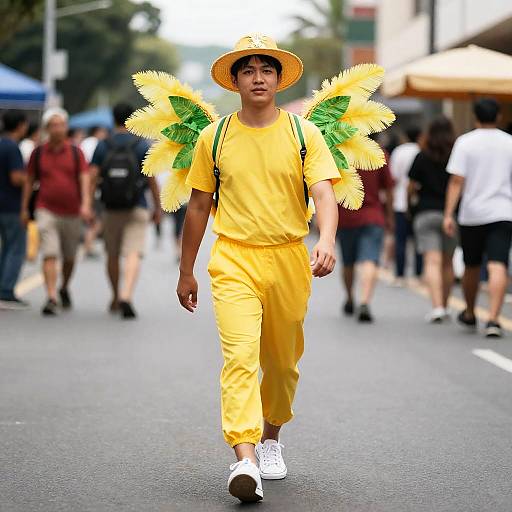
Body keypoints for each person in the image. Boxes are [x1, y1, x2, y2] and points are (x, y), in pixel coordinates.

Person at [176, 36, 339, 502]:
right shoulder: (217, 136)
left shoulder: (304, 134)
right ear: (236, 81)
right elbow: (198, 206)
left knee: (282, 365)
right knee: (240, 358)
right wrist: (187, 271)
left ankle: (271, 439)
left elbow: (325, 193)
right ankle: (244, 459)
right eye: (247, 70)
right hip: (233, 258)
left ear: (278, 78)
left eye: (266, 69)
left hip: (289, 255)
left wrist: (325, 239)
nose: (258, 77)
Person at [444, 98, 512, 338]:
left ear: (475, 117)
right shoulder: (509, 142)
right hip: (503, 212)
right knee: (498, 264)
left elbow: (456, 181)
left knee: (472, 265)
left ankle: (471, 312)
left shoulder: (465, 142)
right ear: (498, 117)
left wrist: (448, 214)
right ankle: (493, 319)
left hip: (472, 214)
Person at [90, 103, 161, 319]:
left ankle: (114, 295)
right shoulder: (141, 145)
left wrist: (88, 204)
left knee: (112, 254)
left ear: (112, 119)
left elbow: (92, 177)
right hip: (137, 206)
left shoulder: (103, 145)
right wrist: (157, 207)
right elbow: (152, 179)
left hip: (111, 208)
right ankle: (126, 295)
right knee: (133, 252)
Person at [21, 108, 91, 316]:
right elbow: (29, 181)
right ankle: (51, 296)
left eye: (61, 124)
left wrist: (86, 204)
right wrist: (25, 208)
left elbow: (84, 179)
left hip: (72, 211)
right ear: (46, 128)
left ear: (66, 127)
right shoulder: (38, 152)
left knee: (69, 257)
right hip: (46, 209)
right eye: (54, 125)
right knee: (50, 252)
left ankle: (64, 287)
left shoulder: (76, 153)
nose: (58, 129)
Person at [409, 117, 457, 323]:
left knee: (432, 261)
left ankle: (437, 307)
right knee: (448, 262)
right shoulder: (455, 154)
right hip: (451, 215)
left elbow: (411, 186)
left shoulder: (422, 156)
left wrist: (411, 205)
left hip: (425, 212)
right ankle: (445, 305)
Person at [337, 155, 394, 323]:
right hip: (372, 215)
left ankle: (349, 297)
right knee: (369, 259)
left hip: (345, 215)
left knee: (348, 262)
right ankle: (365, 301)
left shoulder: (340, 153)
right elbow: (389, 188)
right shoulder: (377, 153)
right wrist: (390, 215)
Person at [0, 110, 29, 309]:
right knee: (16, 247)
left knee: (5, 247)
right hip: (11, 204)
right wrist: (32, 180)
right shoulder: (12, 148)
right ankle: (6, 289)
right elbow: (16, 177)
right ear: (20, 125)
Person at [390, 126, 422, 284]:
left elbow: (393, 176)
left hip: (400, 200)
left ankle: (400, 274)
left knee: (400, 240)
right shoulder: (421, 150)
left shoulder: (399, 151)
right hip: (417, 202)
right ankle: (418, 274)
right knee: (418, 241)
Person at [81, 126, 109, 258]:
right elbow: (94, 172)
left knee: (92, 219)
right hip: (96, 187)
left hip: (85, 185)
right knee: (97, 220)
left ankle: (88, 244)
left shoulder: (84, 143)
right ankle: (89, 245)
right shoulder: (98, 145)